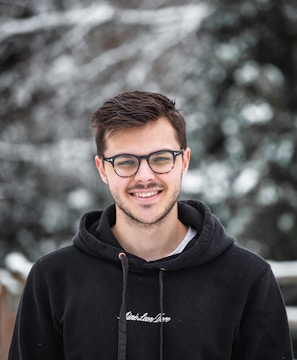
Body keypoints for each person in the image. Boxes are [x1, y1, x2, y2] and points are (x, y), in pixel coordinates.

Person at [9, 91, 293, 360]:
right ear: (102, 169)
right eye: (125, 162)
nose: (144, 176)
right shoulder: (53, 279)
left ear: (184, 162)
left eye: (160, 159)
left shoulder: (247, 278)